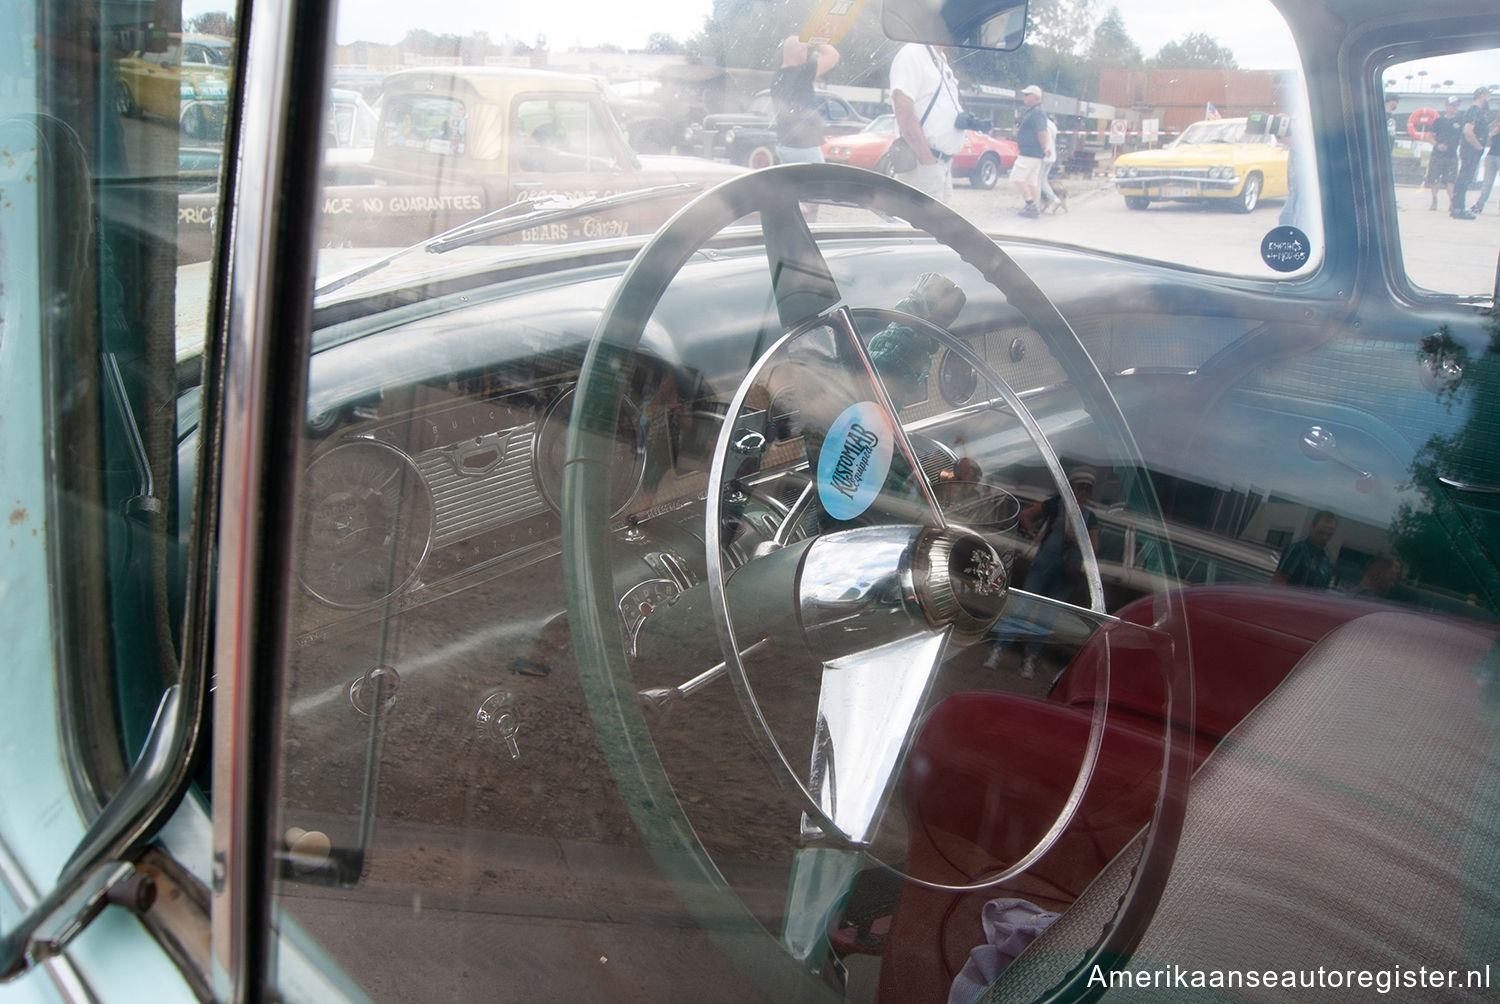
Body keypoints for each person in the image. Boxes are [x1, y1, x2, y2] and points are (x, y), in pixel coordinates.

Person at [986, 465, 1099, 679]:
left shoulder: (1090, 517)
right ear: (1071, 487)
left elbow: (1095, 547)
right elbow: (1026, 515)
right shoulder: (1056, 505)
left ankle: (1029, 657)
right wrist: (1033, 532)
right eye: (1079, 487)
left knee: (1049, 616)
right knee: (1023, 607)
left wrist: (1075, 538)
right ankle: (999, 649)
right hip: (1045, 563)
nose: (1082, 492)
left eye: (1087, 489)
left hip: (1067, 571)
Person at [889, 42, 965, 202]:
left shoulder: (939, 58)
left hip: (940, 165)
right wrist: (928, 161)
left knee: (940, 225)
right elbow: (904, 113)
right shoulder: (912, 54)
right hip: (922, 164)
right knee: (917, 224)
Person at [770, 36, 839, 166]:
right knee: (818, 184)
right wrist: (815, 40)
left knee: (792, 185)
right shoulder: (802, 73)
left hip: (784, 145)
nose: (808, 53)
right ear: (799, 52)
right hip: (804, 147)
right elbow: (833, 56)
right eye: (807, 50)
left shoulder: (777, 77)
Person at [1010, 85, 1052, 218]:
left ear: (1035, 97)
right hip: (1034, 152)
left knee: (1017, 176)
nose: (1024, 97)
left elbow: (1042, 131)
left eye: (1027, 95)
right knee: (1031, 180)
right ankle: (1035, 206)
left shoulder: (1036, 113)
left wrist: (1045, 147)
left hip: (1029, 153)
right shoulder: (1035, 111)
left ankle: (1030, 204)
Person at [1450, 87, 1490, 219]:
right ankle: (1458, 208)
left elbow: (1483, 130)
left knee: (1465, 178)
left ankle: (1457, 207)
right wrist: (1478, 147)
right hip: (1471, 150)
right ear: (1482, 95)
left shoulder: (1479, 112)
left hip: (1472, 150)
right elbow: (1468, 131)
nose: (1489, 98)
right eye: (1488, 95)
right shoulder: (1474, 110)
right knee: (1464, 178)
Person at [1272, 510, 1338, 589]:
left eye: (1329, 535)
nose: (1324, 537)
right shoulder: (1297, 550)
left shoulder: (1326, 560)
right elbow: (1279, 582)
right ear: (1311, 528)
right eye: (1320, 532)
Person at [1425, 96, 1462, 212]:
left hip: (1452, 155)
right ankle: (1434, 200)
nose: (1453, 107)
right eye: (1451, 105)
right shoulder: (1438, 120)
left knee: (1451, 180)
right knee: (1434, 178)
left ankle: (1451, 202)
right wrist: (1437, 145)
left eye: (1455, 105)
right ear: (1446, 105)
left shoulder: (1460, 121)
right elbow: (1429, 136)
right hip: (1438, 154)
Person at [1469, 116, 1500, 213]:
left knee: (1487, 183)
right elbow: (1487, 137)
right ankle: (1479, 205)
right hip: (1491, 155)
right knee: (1487, 183)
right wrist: (1495, 124)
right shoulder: (1496, 125)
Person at [1039, 114, 1062, 212]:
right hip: (1051, 155)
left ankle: (1049, 200)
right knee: (1043, 180)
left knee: (1038, 181)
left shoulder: (1042, 124)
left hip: (1044, 155)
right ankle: (1052, 200)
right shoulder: (1052, 125)